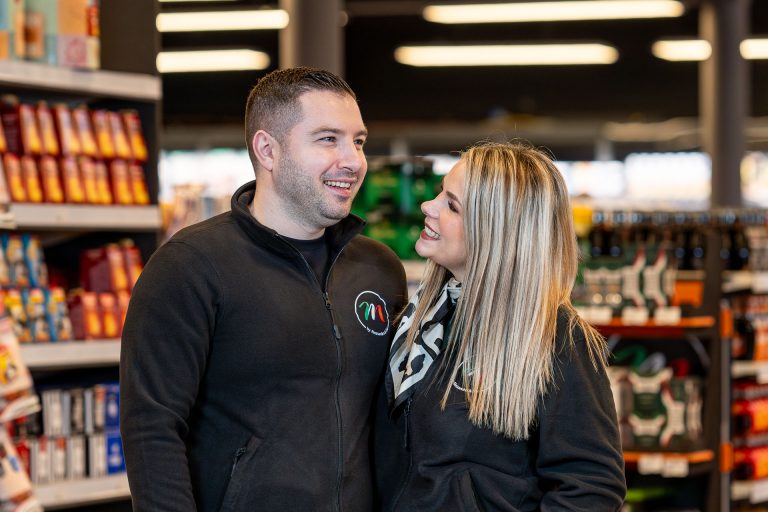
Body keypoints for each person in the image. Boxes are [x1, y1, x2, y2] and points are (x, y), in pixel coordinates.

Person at [120, 67, 408, 511]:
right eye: (327, 139)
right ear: (267, 150)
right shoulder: (191, 266)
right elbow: (151, 428)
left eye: (358, 141)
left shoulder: (378, 270)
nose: (352, 160)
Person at [374, 141, 626, 511]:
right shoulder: (421, 317)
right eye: (441, 193)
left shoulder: (556, 338)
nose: (428, 206)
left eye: (452, 205)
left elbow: (592, 488)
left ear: (495, 231)